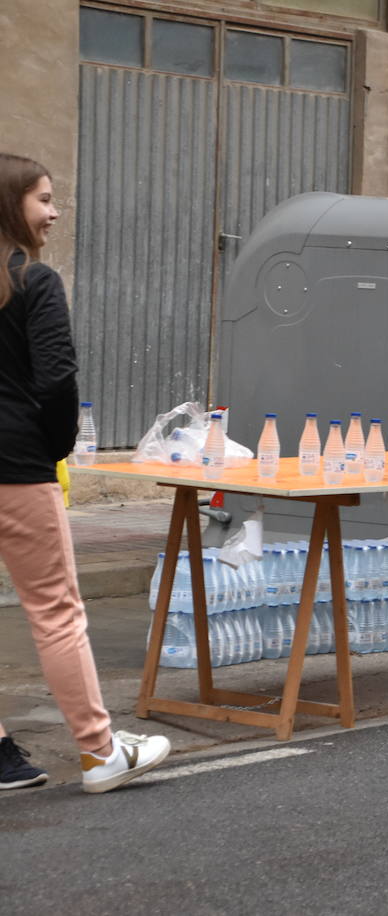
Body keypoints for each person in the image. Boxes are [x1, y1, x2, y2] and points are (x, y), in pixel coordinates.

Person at [0, 152, 170, 793]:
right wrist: (55, 448)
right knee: (56, 613)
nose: (54, 212)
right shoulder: (34, 282)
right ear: (11, 203)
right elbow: (57, 381)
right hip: (17, 468)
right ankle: (101, 752)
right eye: (43, 199)